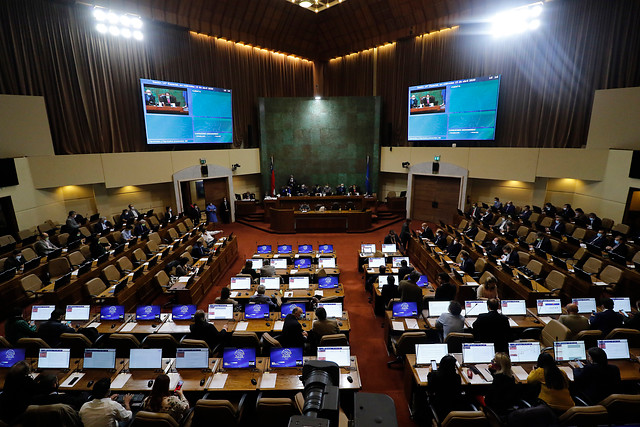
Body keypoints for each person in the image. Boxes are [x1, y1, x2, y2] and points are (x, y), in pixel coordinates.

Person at [427, 355, 463, 420]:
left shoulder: (435, 376)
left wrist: (430, 372)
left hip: (439, 406)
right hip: (454, 406)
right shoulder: (457, 377)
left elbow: (430, 388)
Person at [0, 360, 37, 424]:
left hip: (4, 414)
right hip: (17, 415)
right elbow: (35, 391)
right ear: (26, 371)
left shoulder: (9, 378)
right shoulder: (28, 380)